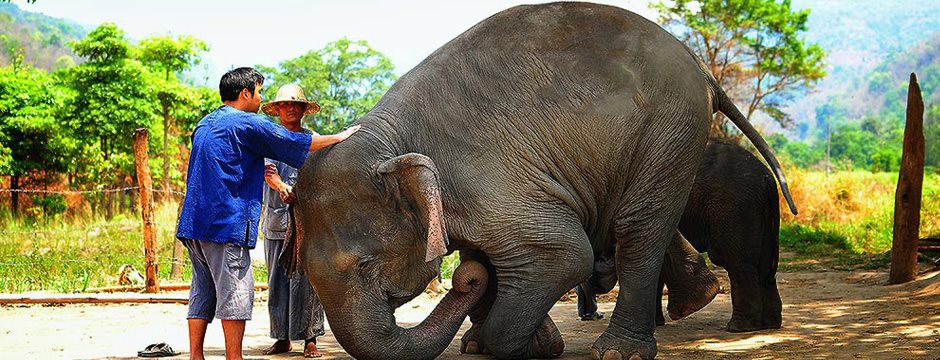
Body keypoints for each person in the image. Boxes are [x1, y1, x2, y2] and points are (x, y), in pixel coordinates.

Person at [176, 67, 360, 360]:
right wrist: (340, 137)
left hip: (194, 225)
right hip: (226, 224)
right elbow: (300, 145)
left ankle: (196, 356)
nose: (261, 99)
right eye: (259, 92)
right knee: (236, 292)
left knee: (202, 290)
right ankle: (234, 357)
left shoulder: (205, 124)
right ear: (245, 93)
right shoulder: (248, 124)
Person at [259, 84, 325, 358]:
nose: (290, 109)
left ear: (303, 110)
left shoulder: (314, 140)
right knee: (278, 283)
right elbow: (267, 171)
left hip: (308, 224)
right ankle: (282, 337)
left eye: (296, 104)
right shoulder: (268, 139)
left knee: (309, 283)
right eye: (285, 104)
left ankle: (311, 338)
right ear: (276, 109)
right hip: (276, 221)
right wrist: (281, 188)